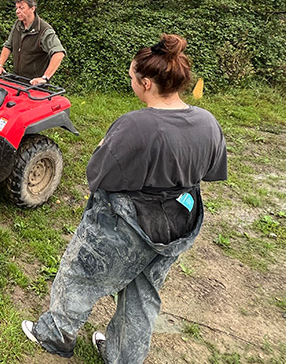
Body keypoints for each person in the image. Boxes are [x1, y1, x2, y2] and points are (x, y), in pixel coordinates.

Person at [20, 34, 227, 363]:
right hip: (179, 221)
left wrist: (108, 145)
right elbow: (211, 170)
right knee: (143, 293)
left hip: (129, 224)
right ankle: (123, 355)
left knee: (79, 275)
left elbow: (98, 176)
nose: (130, 81)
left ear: (146, 83)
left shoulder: (135, 126)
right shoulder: (208, 123)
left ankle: (55, 334)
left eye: (131, 77)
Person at [0, 0, 66, 85]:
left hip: (34, 85)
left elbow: (59, 53)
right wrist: (0, 65)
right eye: (17, 8)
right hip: (16, 81)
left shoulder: (44, 30)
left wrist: (45, 78)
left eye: (21, 8)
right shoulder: (18, 25)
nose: (17, 11)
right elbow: (8, 45)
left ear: (32, 8)